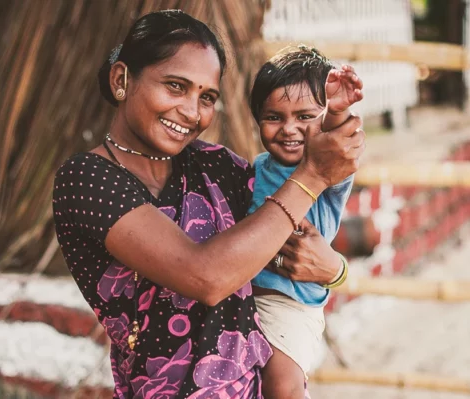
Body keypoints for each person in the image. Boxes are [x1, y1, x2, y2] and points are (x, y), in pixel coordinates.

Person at [51, 10, 365, 399]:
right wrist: (314, 175)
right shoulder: (87, 179)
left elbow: (289, 226)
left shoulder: (216, 166)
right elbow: (206, 277)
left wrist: (334, 269)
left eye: (207, 97)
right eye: (175, 86)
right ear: (122, 79)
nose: (191, 111)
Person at [247, 46, 363, 398]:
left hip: (290, 303)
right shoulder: (257, 167)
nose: (289, 129)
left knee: (283, 388)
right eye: (273, 117)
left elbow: (335, 135)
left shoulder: (327, 170)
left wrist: (338, 108)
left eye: (305, 117)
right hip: (247, 297)